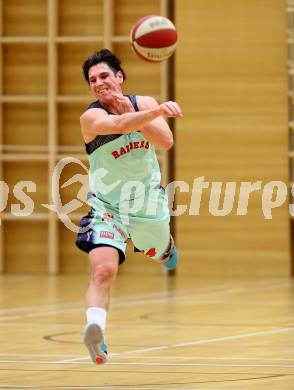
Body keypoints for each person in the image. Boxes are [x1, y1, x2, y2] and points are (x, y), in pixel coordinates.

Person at [76, 49, 182, 365]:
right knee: (104, 270)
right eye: (93, 80)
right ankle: (96, 331)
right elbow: (119, 125)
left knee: (159, 251)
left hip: (148, 203)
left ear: (119, 77)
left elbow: (165, 141)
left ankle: (163, 250)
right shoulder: (90, 117)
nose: (99, 83)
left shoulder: (145, 103)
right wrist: (150, 114)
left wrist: (147, 113)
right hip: (106, 207)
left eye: (105, 75)